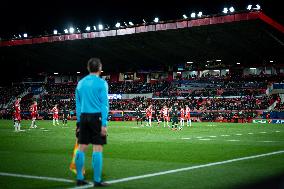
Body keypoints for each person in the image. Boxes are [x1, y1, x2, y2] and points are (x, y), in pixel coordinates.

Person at [75, 58, 109, 187]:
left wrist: (78, 123)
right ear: (100, 68)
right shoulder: (102, 84)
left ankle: (79, 178)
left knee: (81, 147)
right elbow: (104, 105)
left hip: (83, 117)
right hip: (96, 118)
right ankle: (97, 180)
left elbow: (78, 105)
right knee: (97, 148)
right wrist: (104, 124)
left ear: (88, 68)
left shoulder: (80, 84)